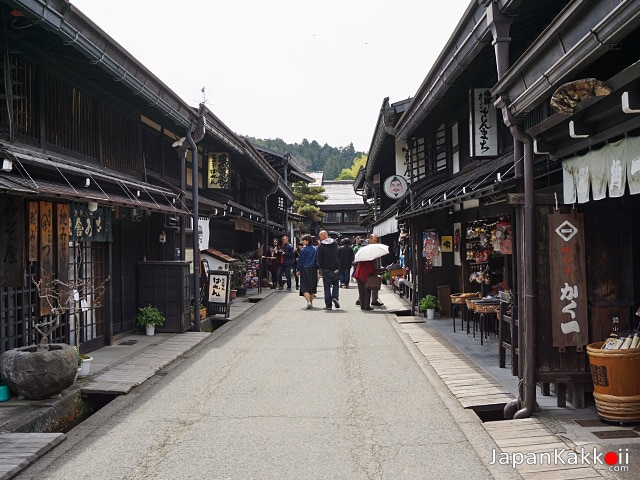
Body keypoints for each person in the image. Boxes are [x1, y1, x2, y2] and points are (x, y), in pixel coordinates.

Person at [316, 230, 341, 310]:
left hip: (326, 268)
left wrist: (320, 267)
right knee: (336, 284)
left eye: (320, 236)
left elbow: (319, 258)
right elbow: (338, 254)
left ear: (323, 236)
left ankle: (328, 305)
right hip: (335, 267)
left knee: (326, 287)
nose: (319, 238)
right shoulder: (335, 243)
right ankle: (335, 297)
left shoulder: (321, 246)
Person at [296, 234, 318, 309]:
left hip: (305, 269)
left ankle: (308, 302)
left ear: (307, 241)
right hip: (314, 269)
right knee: (312, 286)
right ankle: (311, 302)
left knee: (304, 286)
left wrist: (298, 270)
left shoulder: (303, 250)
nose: (302, 242)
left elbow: (301, 261)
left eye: (303, 240)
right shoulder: (315, 249)